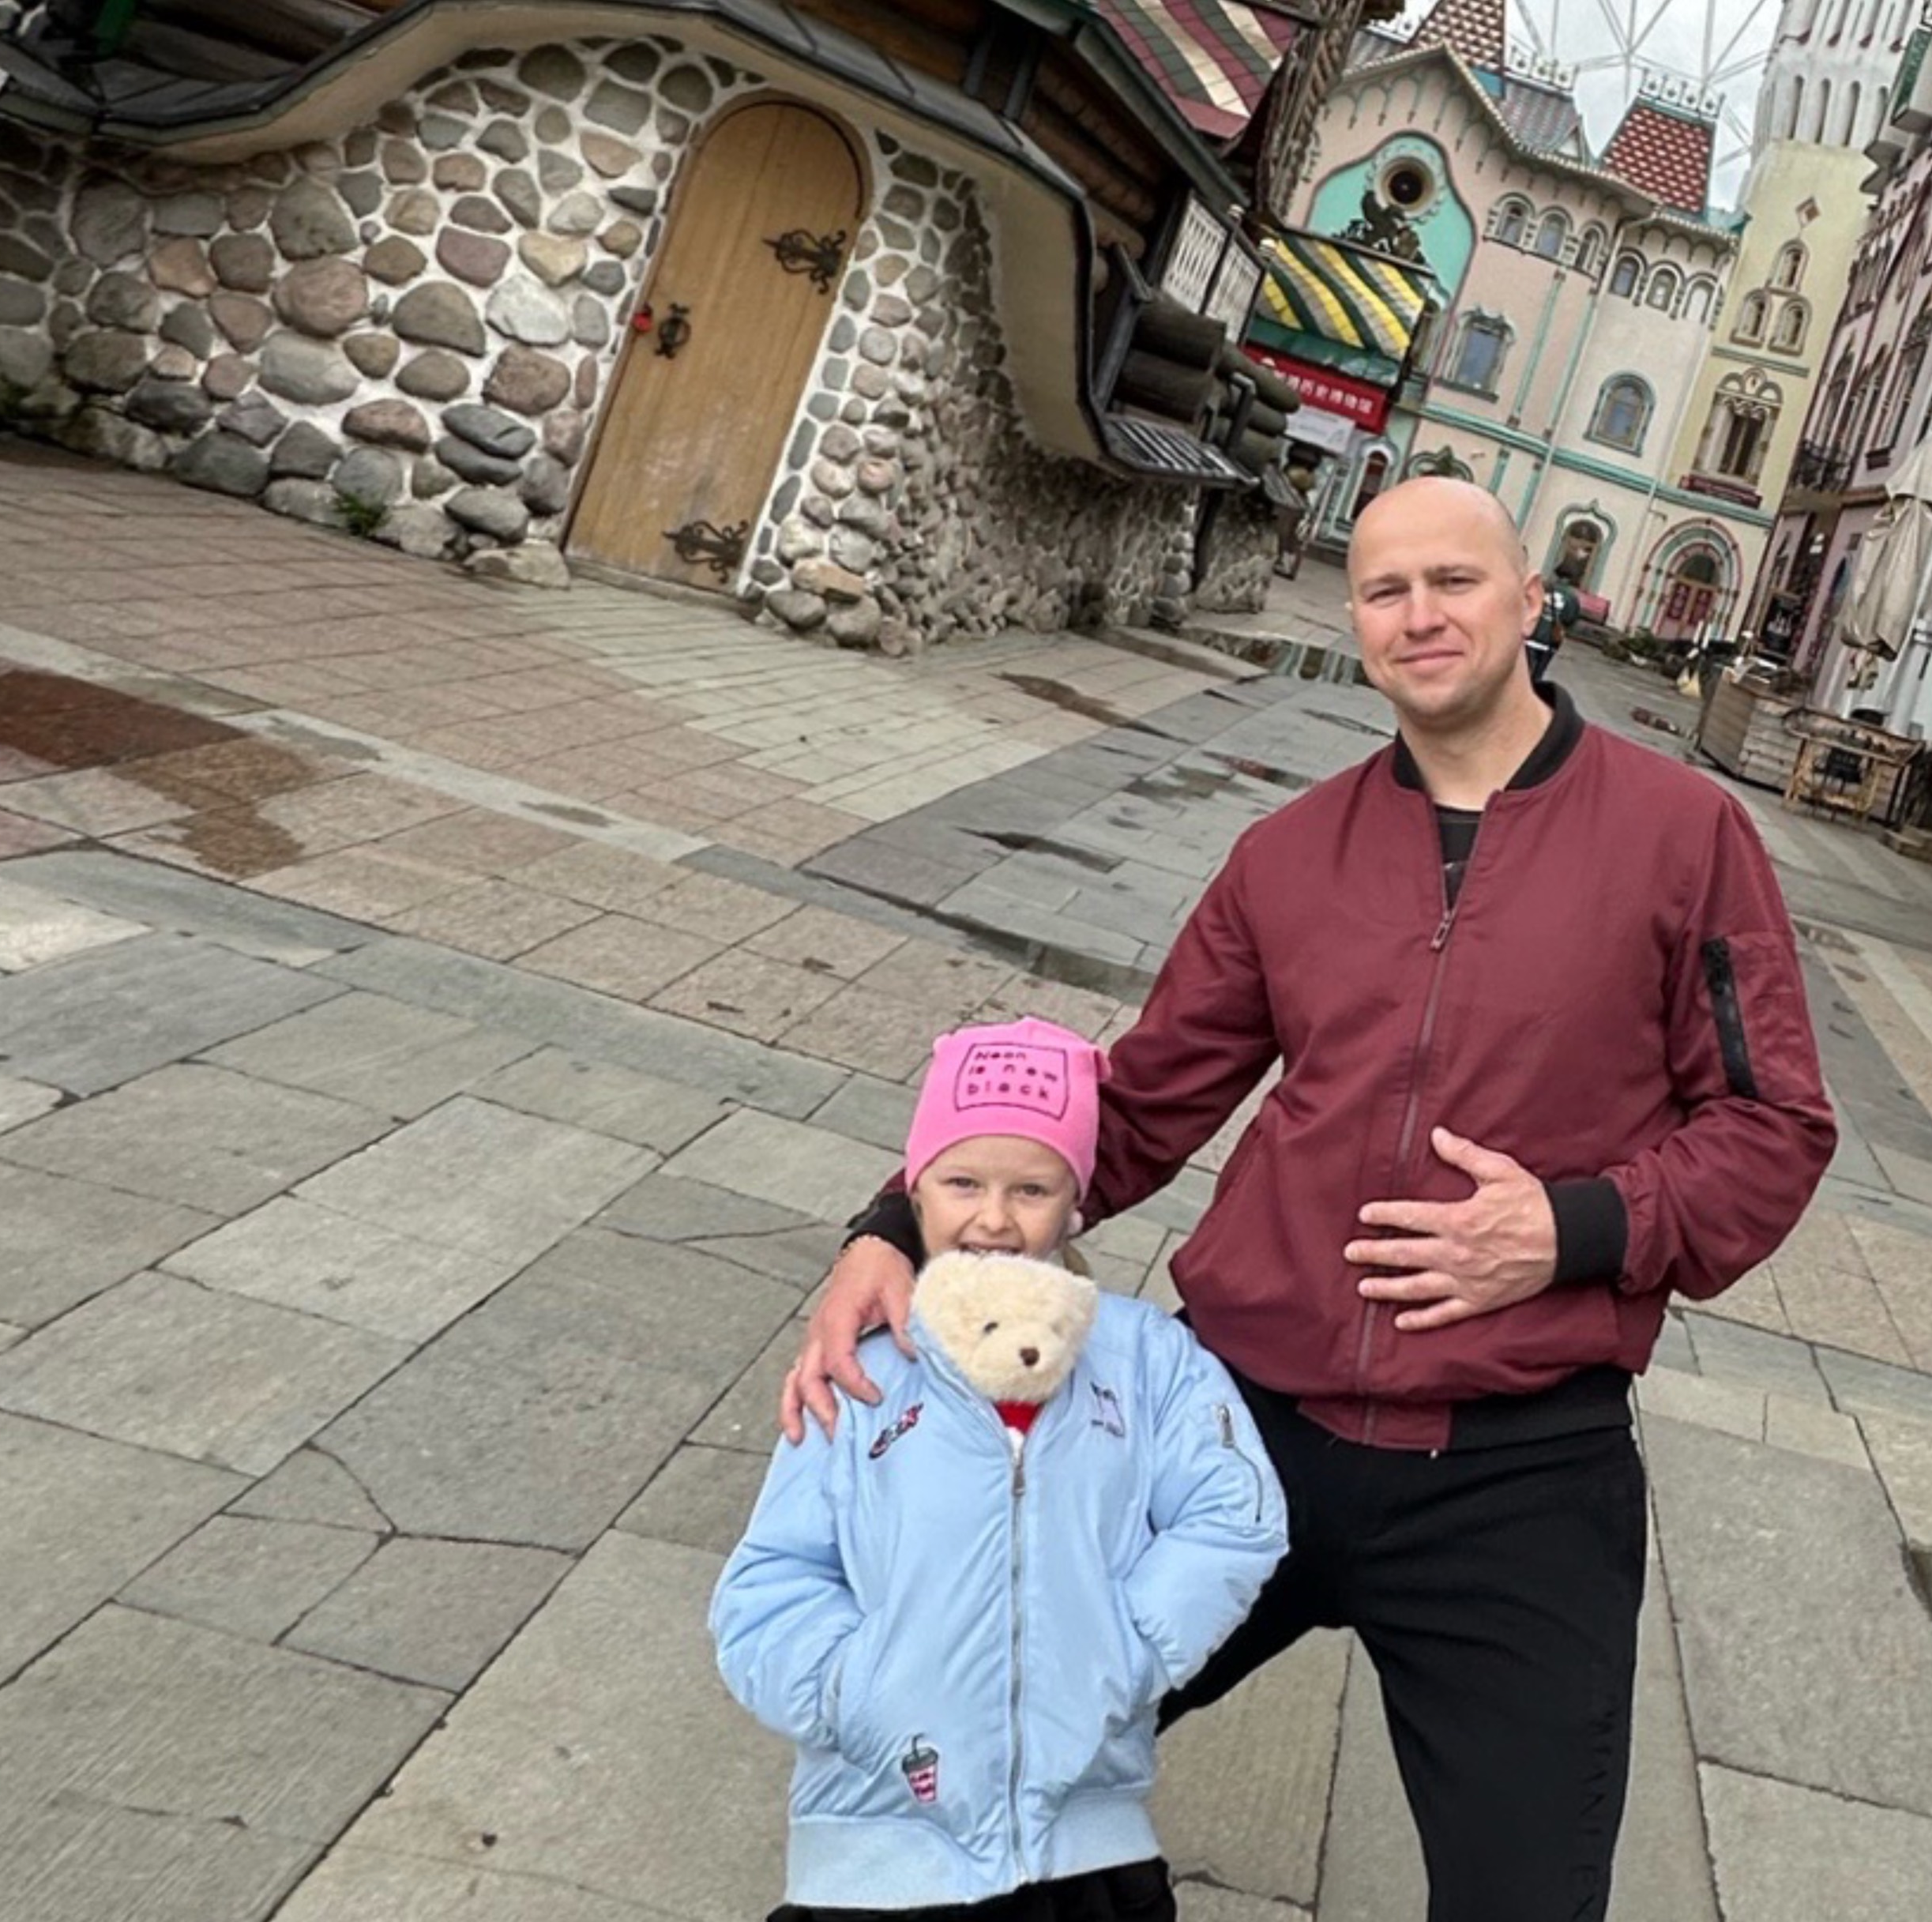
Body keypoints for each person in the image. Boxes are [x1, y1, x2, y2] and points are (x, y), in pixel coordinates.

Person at [783, 476, 1836, 1922]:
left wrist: (1573, 1226)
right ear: (1355, 619)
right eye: (1386, 589)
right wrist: (894, 1228)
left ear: (1534, 602)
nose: (1421, 615)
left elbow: (1776, 1127)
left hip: (1519, 1468)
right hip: (1234, 1427)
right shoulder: (1290, 855)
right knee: (950, 1752)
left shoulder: (1683, 836)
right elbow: (1134, 1104)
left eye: (1456, 580)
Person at [716, 1017, 1286, 1922]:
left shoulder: (1147, 1358)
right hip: (878, 1847)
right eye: (962, 1183)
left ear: (1076, 1200)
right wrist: (848, 1688)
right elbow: (775, 1574)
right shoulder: (862, 1367)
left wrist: (1129, 1649)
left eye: (1031, 1188)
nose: (993, 1217)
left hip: (1084, 1847)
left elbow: (1234, 1514)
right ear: (915, 1192)